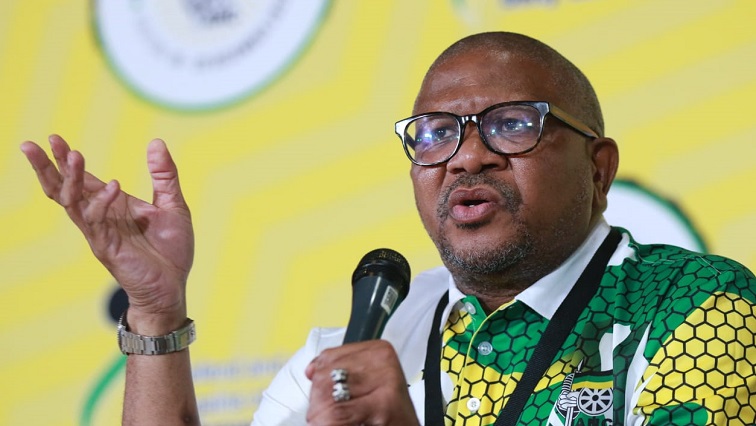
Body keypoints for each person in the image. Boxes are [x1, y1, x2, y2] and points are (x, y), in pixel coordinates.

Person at [20, 32, 755, 426]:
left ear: (599, 167)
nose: (466, 156)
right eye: (436, 133)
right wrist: (156, 313)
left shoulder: (699, 303)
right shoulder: (351, 351)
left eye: (510, 125)